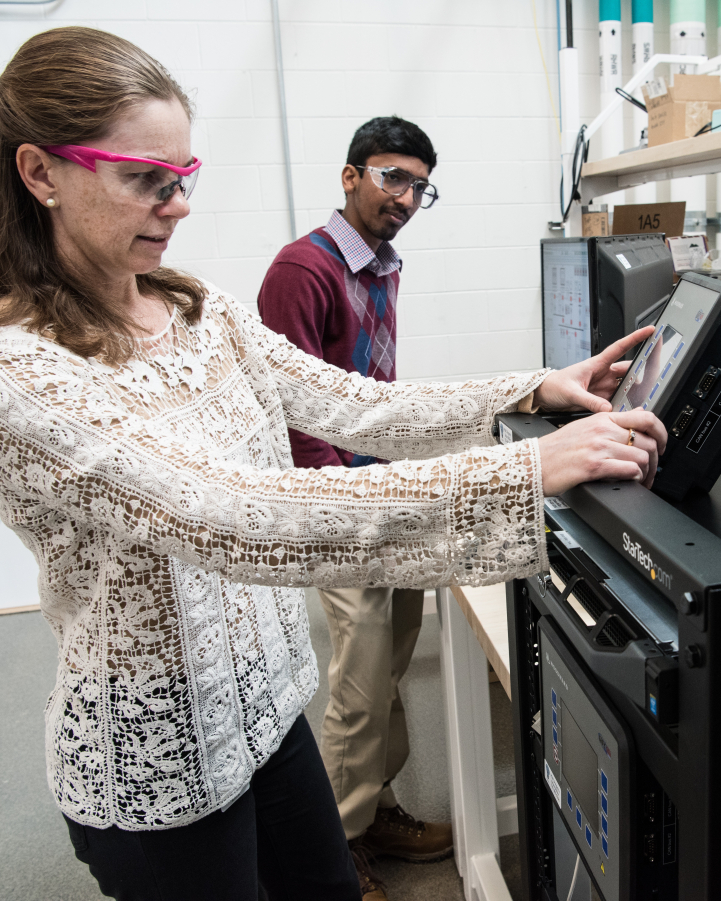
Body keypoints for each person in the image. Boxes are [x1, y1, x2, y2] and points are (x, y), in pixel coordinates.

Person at [0, 26, 665, 901]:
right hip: (160, 767)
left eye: (183, 177)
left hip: (268, 715)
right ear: (39, 172)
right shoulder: (15, 372)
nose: (176, 204)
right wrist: (518, 474)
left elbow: (352, 402)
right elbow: (233, 516)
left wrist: (531, 389)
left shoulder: (195, 307)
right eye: (145, 179)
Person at [256, 116, 448, 898]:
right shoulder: (304, 268)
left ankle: (376, 808)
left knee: (392, 660)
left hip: (383, 487)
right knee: (360, 682)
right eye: (392, 177)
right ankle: (336, 845)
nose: (405, 197)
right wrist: (345, 510)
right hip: (341, 504)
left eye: (419, 187)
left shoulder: (385, 265)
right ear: (350, 175)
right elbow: (296, 411)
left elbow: (373, 393)